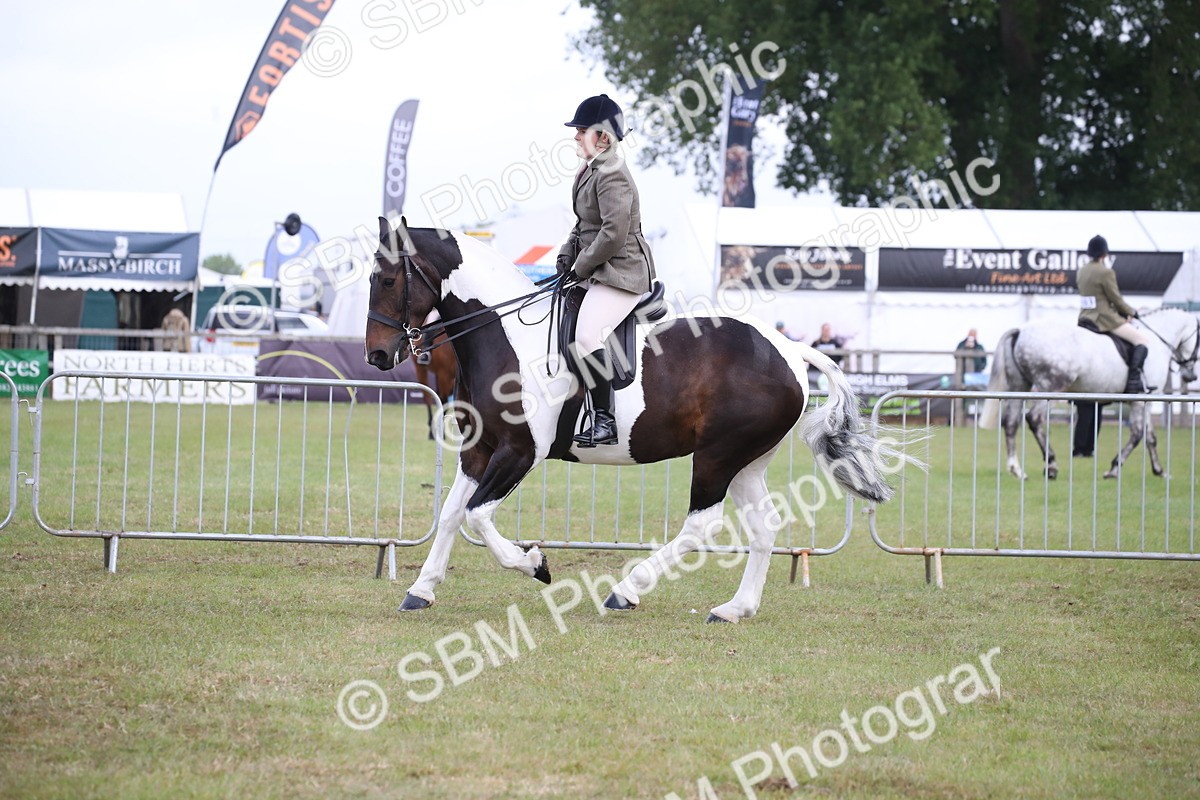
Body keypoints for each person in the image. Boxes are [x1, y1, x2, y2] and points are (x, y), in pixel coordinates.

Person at [556, 93, 657, 447]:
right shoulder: (591, 169)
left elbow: (613, 233)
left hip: (623, 271)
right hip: (601, 267)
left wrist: (581, 266)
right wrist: (567, 254)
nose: (575, 136)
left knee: (586, 335)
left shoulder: (612, 173)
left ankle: (604, 420)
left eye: (581, 130)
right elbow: (585, 224)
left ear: (602, 136)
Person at [1077, 235, 1151, 393]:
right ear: (1104, 254)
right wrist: (1131, 312)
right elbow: (1115, 298)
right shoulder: (1106, 272)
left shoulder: (1081, 271)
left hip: (1084, 318)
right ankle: (1133, 381)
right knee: (1142, 340)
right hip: (1103, 319)